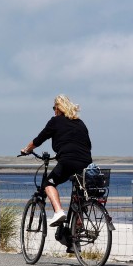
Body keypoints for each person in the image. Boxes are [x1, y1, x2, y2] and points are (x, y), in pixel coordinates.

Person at [20, 94, 92, 228]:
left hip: (68, 160)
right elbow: (88, 144)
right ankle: (75, 233)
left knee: (48, 183)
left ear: (58, 108)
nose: (54, 111)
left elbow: (39, 139)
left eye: (54, 108)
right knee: (79, 193)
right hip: (86, 162)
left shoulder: (55, 121)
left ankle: (58, 212)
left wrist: (26, 149)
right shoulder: (80, 123)